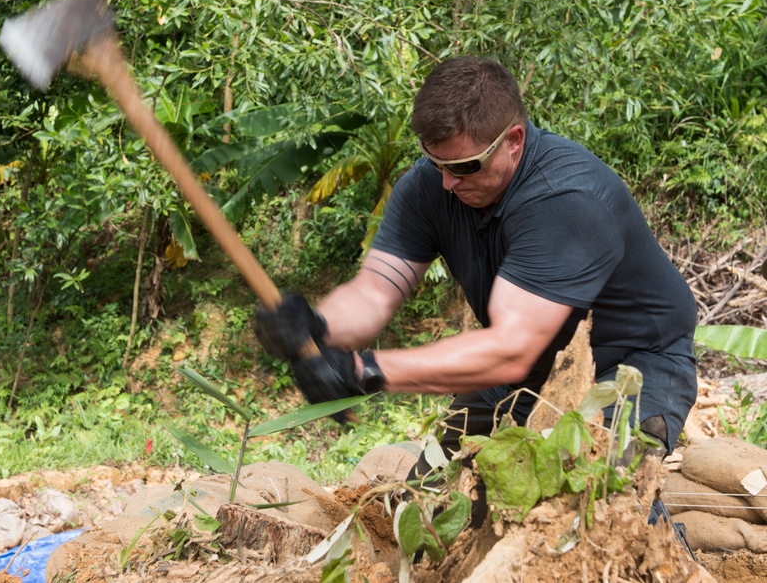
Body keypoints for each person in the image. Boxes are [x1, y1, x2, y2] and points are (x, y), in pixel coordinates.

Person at [255, 56, 698, 469]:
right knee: (435, 501)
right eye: (436, 162)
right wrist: (317, 326)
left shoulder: (566, 200)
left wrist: (365, 370)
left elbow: (510, 349)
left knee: (603, 501)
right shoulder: (432, 184)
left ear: (514, 141)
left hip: (631, 367)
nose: (447, 182)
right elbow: (375, 289)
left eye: (465, 166)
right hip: (528, 370)